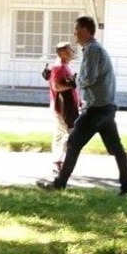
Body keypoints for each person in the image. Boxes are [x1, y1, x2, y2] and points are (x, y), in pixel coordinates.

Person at [36, 16, 127, 195]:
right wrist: (77, 79)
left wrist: (75, 80)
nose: (74, 34)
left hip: (95, 110)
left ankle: (59, 184)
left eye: (76, 29)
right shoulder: (96, 49)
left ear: (84, 30)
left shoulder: (92, 50)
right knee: (116, 149)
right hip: (106, 108)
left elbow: (88, 78)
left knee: (73, 143)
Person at [45, 42, 80, 174]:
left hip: (68, 107)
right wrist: (71, 85)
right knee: (63, 135)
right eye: (70, 50)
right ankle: (57, 162)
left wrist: (79, 101)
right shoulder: (59, 67)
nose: (73, 52)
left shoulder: (65, 66)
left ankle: (62, 162)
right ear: (62, 53)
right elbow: (56, 87)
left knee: (66, 134)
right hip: (61, 108)